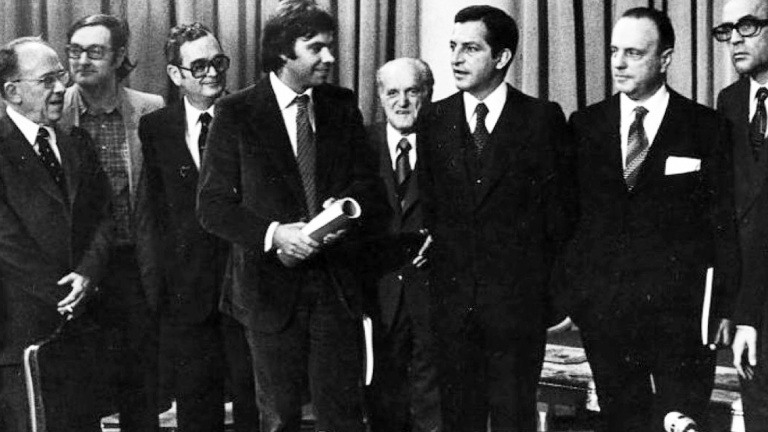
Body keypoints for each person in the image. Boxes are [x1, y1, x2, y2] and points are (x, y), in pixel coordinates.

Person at [197, 1, 385, 431]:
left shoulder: (341, 105)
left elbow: (368, 187)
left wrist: (342, 211)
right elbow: (212, 206)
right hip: (267, 291)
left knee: (343, 417)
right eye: (316, 48)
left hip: (334, 287)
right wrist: (275, 233)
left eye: (330, 46)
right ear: (284, 51)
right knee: (280, 419)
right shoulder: (236, 112)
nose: (329, 57)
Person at [564, 7, 739, 431]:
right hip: (606, 317)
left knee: (680, 423)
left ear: (664, 59)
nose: (619, 63)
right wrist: (578, 298)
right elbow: (570, 222)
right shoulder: (585, 125)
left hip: (680, 319)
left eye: (633, 53)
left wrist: (724, 306)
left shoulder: (707, 127)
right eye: (614, 52)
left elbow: (723, 225)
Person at [417, 5, 574, 431]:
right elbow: (432, 209)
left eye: (470, 49)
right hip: (453, 310)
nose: (455, 59)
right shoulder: (433, 119)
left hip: (518, 311)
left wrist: (552, 299)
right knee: (458, 420)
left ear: (502, 57)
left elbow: (559, 218)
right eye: (453, 47)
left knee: (513, 419)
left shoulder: (542, 119)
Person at [138, 22, 259, 432]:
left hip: (246, 286)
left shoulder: (250, 116)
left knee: (252, 402)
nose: (212, 73)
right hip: (187, 295)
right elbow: (156, 214)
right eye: (200, 66)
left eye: (218, 62)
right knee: (196, 408)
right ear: (175, 75)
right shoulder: (156, 128)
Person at [0, 36, 113, 432]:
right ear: (12, 92)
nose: (61, 88)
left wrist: (88, 274)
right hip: (21, 332)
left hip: (81, 328)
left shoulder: (76, 142)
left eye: (60, 77)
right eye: (47, 80)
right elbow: (6, 243)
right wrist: (64, 295)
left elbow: (104, 218)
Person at [60, 13, 165, 432]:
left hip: (134, 265)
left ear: (120, 57)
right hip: (77, 268)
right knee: (79, 389)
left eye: (95, 52)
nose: (82, 61)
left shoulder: (150, 109)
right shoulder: (54, 110)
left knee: (140, 388)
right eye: (75, 51)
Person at [363, 57, 440, 432]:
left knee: (433, 409)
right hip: (377, 297)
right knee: (383, 408)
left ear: (429, 93)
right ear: (380, 96)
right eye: (392, 92)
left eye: (412, 91)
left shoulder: (449, 140)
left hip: (434, 293)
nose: (403, 102)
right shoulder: (360, 144)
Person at [715, 0, 768, 429]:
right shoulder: (729, 102)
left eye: (747, 25)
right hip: (749, 302)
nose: (734, 39)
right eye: (726, 30)